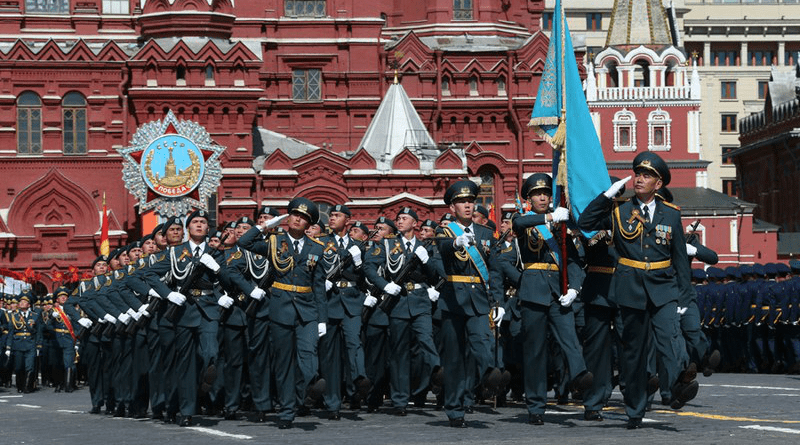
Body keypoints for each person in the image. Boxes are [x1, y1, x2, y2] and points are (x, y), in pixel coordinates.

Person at [578, 152, 699, 429]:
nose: (640, 179)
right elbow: (585, 224)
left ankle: (674, 387)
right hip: (631, 289)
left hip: (663, 286)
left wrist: (684, 295)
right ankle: (635, 408)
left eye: (647, 175)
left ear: (658, 184)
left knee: (669, 337)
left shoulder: (671, 213)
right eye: (638, 174)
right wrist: (606, 196)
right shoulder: (619, 211)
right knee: (633, 353)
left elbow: (680, 257)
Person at [237, 198, 327, 429]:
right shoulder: (274, 241)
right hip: (280, 307)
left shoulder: (316, 248)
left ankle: (308, 387)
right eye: (294, 214)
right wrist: (267, 225)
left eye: (303, 217)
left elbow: (318, 285)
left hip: (307, 309)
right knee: (284, 362)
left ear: (309, 223)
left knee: (308, 353)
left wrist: (322, 319)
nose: (298, 218)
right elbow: (244, 242)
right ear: (288, 217)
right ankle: (287, 411)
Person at [511, 173, 591, 425]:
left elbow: (575, 262)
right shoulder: (525, 220)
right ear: (529, 199)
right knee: (535, 352)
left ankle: (580, 378)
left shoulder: (561, 227)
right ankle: (535, 405)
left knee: (570, 341)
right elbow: (519, 225)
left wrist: (575, 289)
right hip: (534, 292)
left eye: (546, 193)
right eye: (537, 194)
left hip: (559, 293)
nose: (543, 197)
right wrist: (548, 217)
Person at [143, 210, 228, 427]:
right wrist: (168, 294)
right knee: (185, 364)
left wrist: (216, 268)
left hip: (209, 308)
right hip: (183, 311)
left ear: (208, 229)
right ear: (188, 229)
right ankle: (187, 410)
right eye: (195, 222)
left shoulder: (216, 252)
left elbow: (228, 278)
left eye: (203, 222)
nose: (199, 225)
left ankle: (204, 382)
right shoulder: (175, 253)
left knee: (211, 352)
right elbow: (150, 274)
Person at [436, 180, 504, 428]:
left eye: (470, 201)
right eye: (461, 202)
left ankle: (488, 377)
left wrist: (498, 302)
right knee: (454, 359)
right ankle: (455, 409)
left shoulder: (485, 233)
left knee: (482, 343)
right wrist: (455, 243)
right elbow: (442, 247)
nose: (467, 205)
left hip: (478, 300)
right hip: (454, 299)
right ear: (452, 207)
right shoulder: (445, 231)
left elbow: (495, 270)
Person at [364, 207, 443, 416]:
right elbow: (369, 266)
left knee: (426, 337)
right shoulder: (388, 244)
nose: (399, 221)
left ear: (415, 224)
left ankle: (437, 370)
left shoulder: (425, 246)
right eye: (398, 218)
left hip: (420, 301)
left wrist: (426, 261)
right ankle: (399, 400)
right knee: (399, 353)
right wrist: (383, 285)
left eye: (405, 218)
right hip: (397, 303)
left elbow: (435, 275)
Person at [317, 204, 371, 419]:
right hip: (329, 302)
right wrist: (321, 284)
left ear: (347, 221)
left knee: (354, 342)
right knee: (330, 356)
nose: (332, 218)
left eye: (337, 216)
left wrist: (358, 261)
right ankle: (332, 403)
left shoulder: (358, 245)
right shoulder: (320, 242)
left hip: (351, 302)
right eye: (331, 215)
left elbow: (368, 273)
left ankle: (359, 379)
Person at [5, 290, 42, 393]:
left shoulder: (35, 315)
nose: (21, 303)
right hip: (18, 344)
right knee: (18, 367)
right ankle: (20, 386)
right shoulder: (14, 316)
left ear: (29, 304)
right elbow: (11, 333)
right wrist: (8, 347)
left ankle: (27, 386)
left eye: (24, 301)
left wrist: (39, 345)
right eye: (20, 301)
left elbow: (38, 332)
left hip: (30, 344)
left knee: (29, 366)